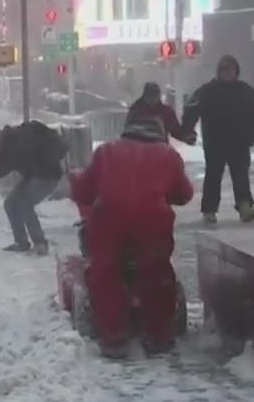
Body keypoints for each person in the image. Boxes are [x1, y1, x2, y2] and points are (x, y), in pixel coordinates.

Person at [70, 116, 195, 358]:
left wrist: (77, 182)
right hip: (152, 220)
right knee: (157, 271)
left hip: (109, 219)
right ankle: (158, 336)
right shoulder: (168, 156)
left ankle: (113, 337)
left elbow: (84, 191)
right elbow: (184, 194)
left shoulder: (106, 151)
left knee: (105, 272)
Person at [181, 54, 254, 224]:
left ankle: (245, 206)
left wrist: (251, 134)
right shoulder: (208, 91)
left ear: (236, 71)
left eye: (230, 70)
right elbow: (191, 110)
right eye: (224, 70)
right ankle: (209, 210)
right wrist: (188, 131)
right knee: (213, 176)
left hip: (239, 141)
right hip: (215, 141)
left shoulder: (245, 91)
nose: (228, 73)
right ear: (219, 72)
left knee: (241, 176)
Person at [0, 121, 68, 255]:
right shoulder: (12, 137)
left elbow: (1, 171)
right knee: (11, 203)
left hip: (46, 177)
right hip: (38, 174)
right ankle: (21, 242)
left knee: (23, 203)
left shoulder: (8, 146)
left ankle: (40, 243)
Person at [125, 82, 193, 143]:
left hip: (155, 149)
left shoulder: (166, 111)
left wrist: (186, 137)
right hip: (144, 149)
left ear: (158, 96)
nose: (152, 98)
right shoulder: (136, 110)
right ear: (144, 95)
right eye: (149, 95)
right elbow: (128, 131)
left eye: (154, 95)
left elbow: (175, 131)